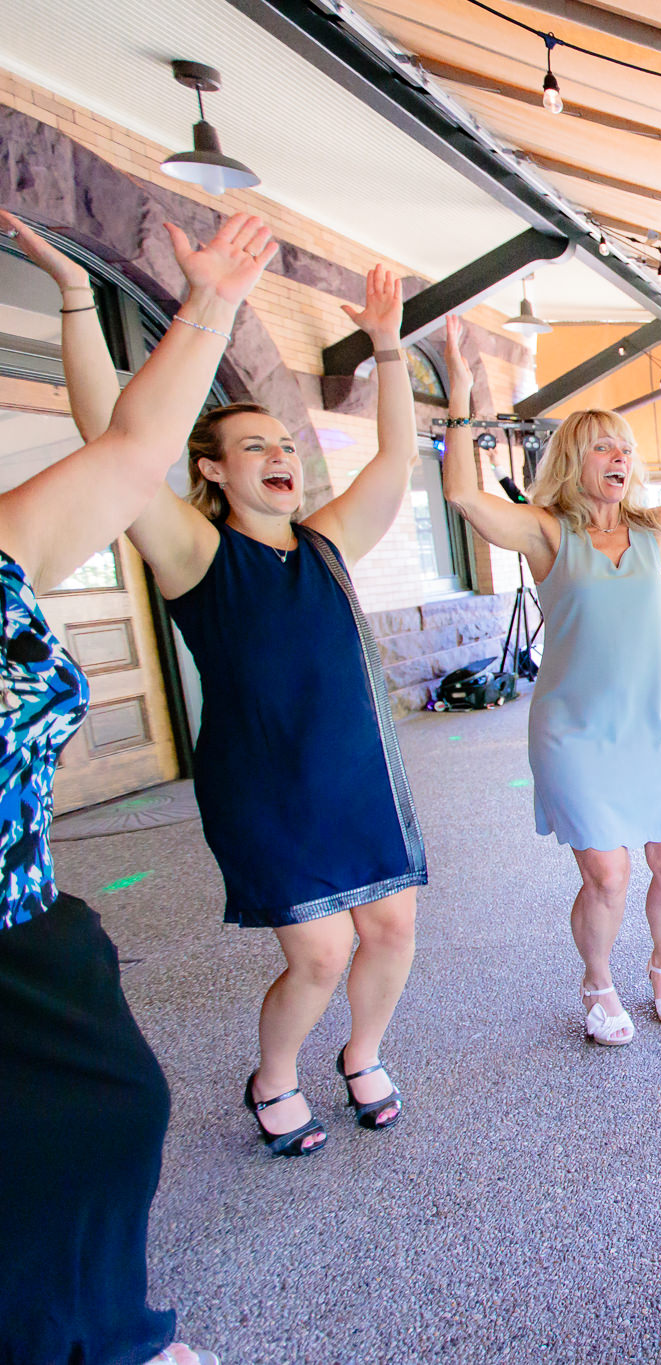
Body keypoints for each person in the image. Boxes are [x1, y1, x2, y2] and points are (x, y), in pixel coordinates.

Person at [0, 205, 273, 1365]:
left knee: (106, 1123)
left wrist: (207, 304)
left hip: (29, 932)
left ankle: (108, 1333)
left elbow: (127, 457)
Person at [96, 260, 427, 1158]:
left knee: (391, 928)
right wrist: (73, 301)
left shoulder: (325, 542)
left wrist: (390, 343)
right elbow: (111, 446)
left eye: (283, 443)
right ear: (210, 469)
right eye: (254, 446)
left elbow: (397, 457)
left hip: (356, 776)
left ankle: (362, 1056)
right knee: (318, 953)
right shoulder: (196, 555)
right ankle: (273, 1077)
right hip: (264, 789)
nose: (280, 457)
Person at [442, 332, 661, 1044]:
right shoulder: (546, 534)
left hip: (650, 727)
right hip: (575, 731)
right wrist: (462, 400)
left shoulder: (657, 530)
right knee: (608, 872)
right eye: (600, 447)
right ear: (571, 461)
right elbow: (463, 494)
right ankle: (597, 982)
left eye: (624, 448)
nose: (618, 458)